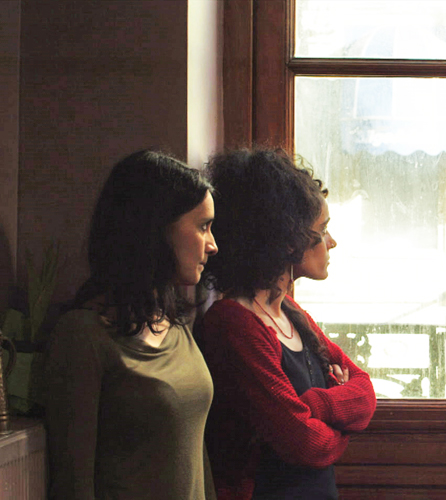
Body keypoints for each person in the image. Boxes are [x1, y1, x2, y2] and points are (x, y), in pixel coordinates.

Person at [197, 148, 377, 500]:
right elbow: (304, 443)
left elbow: (364, 392)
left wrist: (314, 405)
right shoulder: (233, 323)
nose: (332, 242)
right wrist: (343, 426)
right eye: (322, 230)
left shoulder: (291, 313)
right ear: (284, 238)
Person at [44, 150, 219, 499]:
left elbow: (197, 460)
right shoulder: (83, 335)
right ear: (156, 230)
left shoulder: (176, 326)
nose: (213, 245)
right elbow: (73, 483)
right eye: (203, 226)